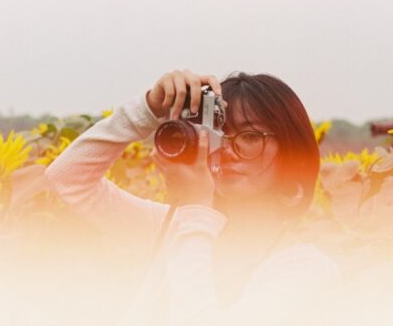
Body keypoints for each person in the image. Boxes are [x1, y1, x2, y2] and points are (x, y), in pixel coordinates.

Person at [44, 69, 341, 325]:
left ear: (293, 154)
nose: (225, 150)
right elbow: (68, 179)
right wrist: (147, 110)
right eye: (218, 134)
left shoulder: (307, 272)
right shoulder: (174, 228)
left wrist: (196, 206)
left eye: (250, 137)